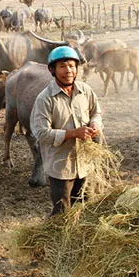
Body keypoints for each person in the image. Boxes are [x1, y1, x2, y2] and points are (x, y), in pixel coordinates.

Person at [30, 46, 103, 216]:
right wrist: (73, 133)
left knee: (83, 207)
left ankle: (78, 241)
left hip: (84, 162)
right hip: (61, 166)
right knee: (62, 211)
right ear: (52, 70)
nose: (68, 71)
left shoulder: (85, 91)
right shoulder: (45, 98)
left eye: (71, 66)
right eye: (62, 66)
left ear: (77, 69)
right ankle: (56, 240)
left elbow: (96, 113)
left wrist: (95, 125)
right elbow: (40, 133)